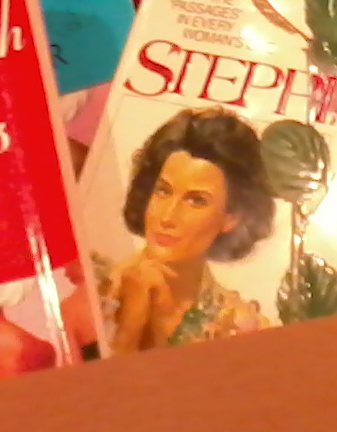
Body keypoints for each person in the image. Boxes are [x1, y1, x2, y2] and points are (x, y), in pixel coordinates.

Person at [105, 107, 277, 354]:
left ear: (231, 218)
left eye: (196, 200)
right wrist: (128, 330)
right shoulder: (97, 290)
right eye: (163, 191)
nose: (168, 217)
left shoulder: (243, 328)